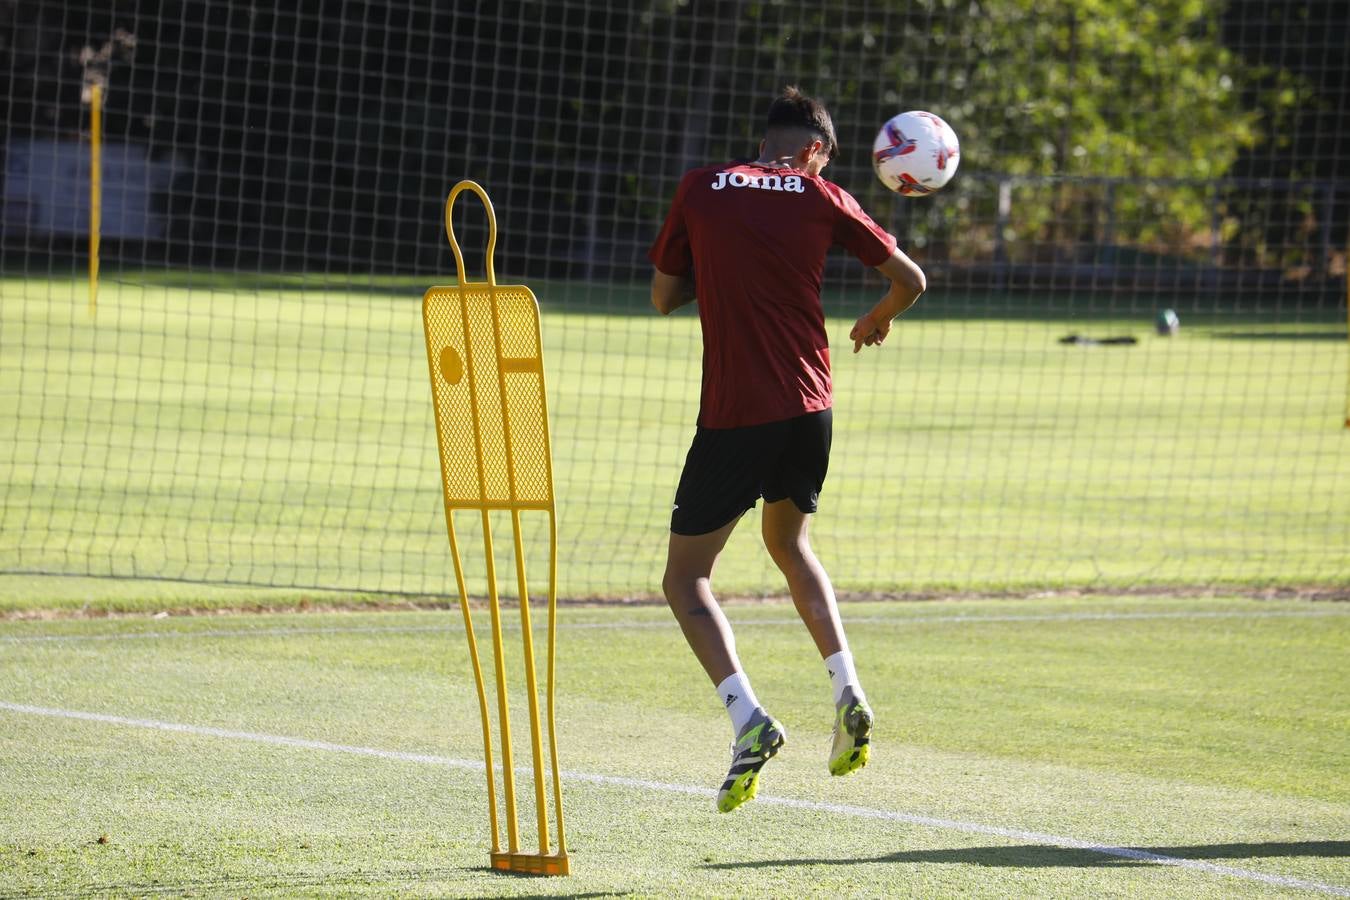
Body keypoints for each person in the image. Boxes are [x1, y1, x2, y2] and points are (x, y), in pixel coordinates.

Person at [647, 85, 927, 813]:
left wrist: (721, 263)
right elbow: (912, 281)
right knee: (791, 545)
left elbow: (662, 295)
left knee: (686, 580)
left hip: (738, 414)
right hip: (811, 409)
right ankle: (848, 689)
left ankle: (749, 720)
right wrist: (876, 316)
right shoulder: (821, 196)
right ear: (815, 150)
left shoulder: (702, 185)